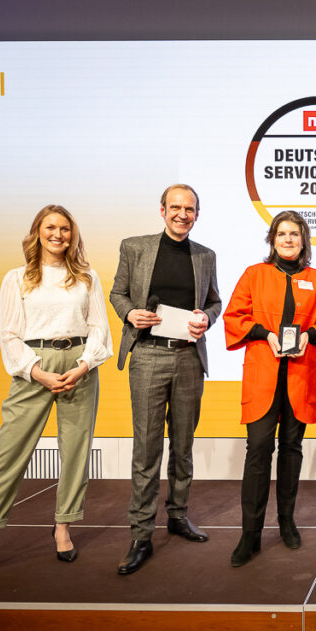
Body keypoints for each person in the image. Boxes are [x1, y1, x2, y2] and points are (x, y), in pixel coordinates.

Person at [0, 205, 112, 586]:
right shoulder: (17, 278)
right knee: (8, 453)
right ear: (37, 232)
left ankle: (63, 528)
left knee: (76, 452)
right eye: (50, 227)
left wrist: (83, 365)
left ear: (72, 235)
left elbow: (99, 328)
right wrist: (38, 372)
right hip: (34, 366)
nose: (58, 234)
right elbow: (9, 335)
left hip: (79, 365)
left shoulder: (87, 277)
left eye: (65, 228)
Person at [110, 184, 221, 575]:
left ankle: (178, 515)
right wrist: (129, 314)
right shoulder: (135, 247)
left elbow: (214, 302)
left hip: (189, 357)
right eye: (175, 207)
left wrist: (207, 318)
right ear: (162, 210)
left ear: (197, 214)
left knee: (184, 444)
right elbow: (118, 293)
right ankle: (141, 535)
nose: (182, 214)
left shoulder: (205, 255)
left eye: (189, 209)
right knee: (147, 448)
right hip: (148, 355)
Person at [223, 211, 316, 566]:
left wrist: (309, 336)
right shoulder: (253, 275)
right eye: (282, 234)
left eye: (294, 234)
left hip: (301, 376)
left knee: (291, 449)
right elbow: (234, 316)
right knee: (258, 450)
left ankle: (287, 522)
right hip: (264, 377)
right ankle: (250, 534)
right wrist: (265, 334)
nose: (288, 239)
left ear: (304, 241)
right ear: (272, 240)